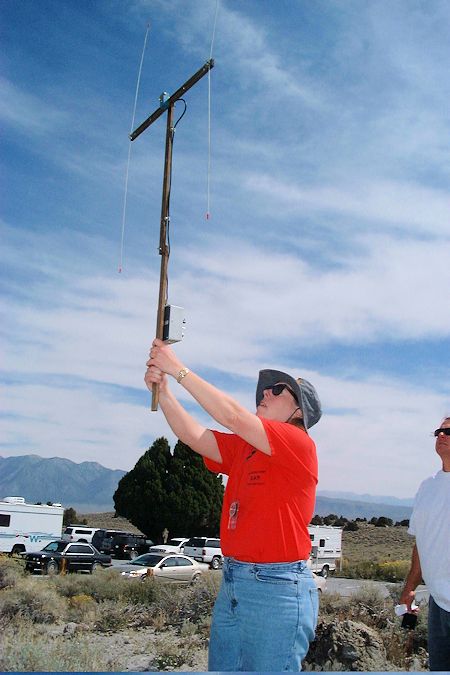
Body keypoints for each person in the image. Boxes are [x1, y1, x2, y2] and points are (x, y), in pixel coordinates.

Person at [145, 338, 322, 672]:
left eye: (277, 390)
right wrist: (164, 391)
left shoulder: (299, 444)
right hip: (235, 581)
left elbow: (233, 416)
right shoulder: (246, 448)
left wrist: (177, 369)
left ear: (300, 411)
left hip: (277, 589)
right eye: (264, 390)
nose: (264, 393)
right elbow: (195, 436)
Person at [399, 416, 450, 671]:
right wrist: (409, 588)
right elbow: (423, 540)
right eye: (439, 430)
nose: (442, 434)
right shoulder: (427, 487)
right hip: (439, 605)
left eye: (449, 430)